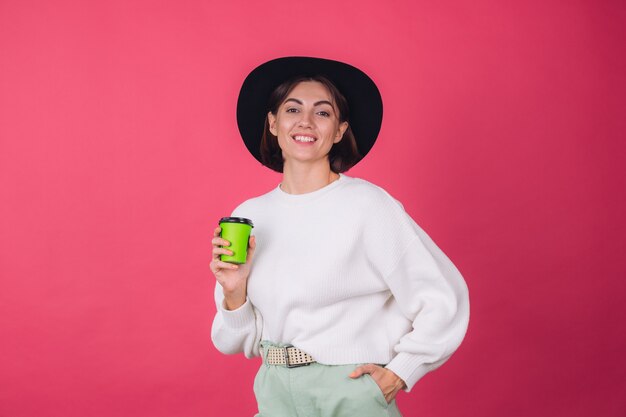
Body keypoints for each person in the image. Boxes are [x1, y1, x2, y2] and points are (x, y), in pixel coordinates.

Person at [210, 56, 470, 417]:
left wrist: (400, 372)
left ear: (338, 130)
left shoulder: (368, 206)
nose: (305, 122)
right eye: (292, 109)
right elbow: (232, 341)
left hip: (349, 392)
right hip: (274, 389)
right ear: (272, 123)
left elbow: (443, 297)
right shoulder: (251, 216)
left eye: (322, 112)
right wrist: (234, 293)